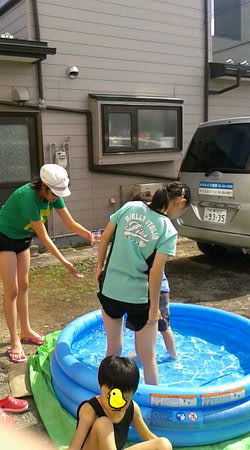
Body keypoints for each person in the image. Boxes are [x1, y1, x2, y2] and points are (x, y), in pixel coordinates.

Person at [0, 164, 94, 363]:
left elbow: (70, 223)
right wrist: (66, 263)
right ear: (44, 186)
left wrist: (88, 234)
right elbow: (45, 238)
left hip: (23, 239)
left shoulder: (54, 193)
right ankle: (14, 341)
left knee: (25, 285)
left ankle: (26, 330)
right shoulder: (27, 197)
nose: (56, 197)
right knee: (12, 289)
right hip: (3, 238)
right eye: (54, 193)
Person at [96, 183, 191, 385]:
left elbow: (105, 236)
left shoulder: (131, 207)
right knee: (148, 358)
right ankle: (153, 408)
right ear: (180, 202)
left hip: (110, 289)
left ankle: (103, 398)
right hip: (140, 299)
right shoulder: (168, 230)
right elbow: (156, 272)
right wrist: (155, 308)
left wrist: (99, 268)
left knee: (113, 349)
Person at [68, 355, 172, 450]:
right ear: (100, 386)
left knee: (164, 444)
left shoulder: (132, 408)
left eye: (124, 399)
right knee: (103, 423)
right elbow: (74, 447)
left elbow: (148, 436)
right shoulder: (90, 409)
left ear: (132, 394)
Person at [131, 192, 177, 360]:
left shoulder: (160, 232)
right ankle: (138, 355)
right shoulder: (137, 235)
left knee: (163, 325)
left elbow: (156, 269)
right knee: (138, 325)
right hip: (141, 288)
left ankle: (173, 355)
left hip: (159, 289)